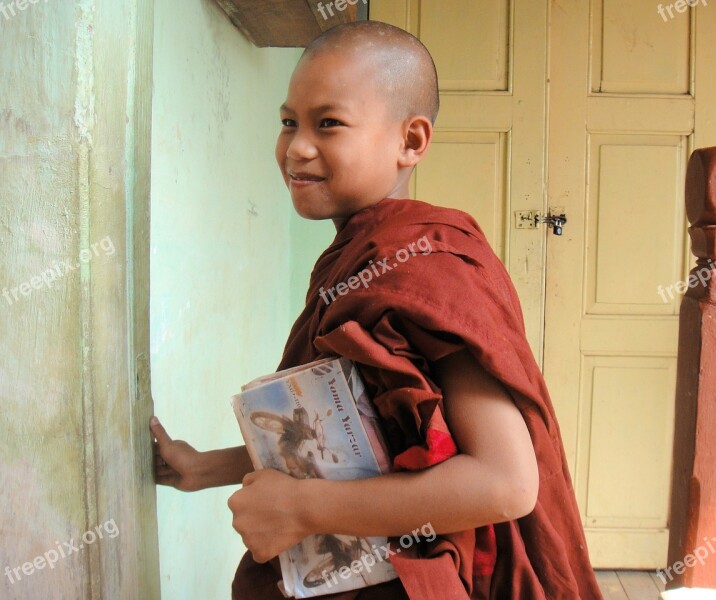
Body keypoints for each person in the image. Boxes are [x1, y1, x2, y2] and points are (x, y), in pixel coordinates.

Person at [150, 20, 602, 600]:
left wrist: (303, 508)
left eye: (329, 123)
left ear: (410, 141)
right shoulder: (360, 258)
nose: (297, 147)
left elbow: (505, 483)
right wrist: (202, 468)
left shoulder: (427, 268)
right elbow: (353, 443)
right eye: (289, 122)